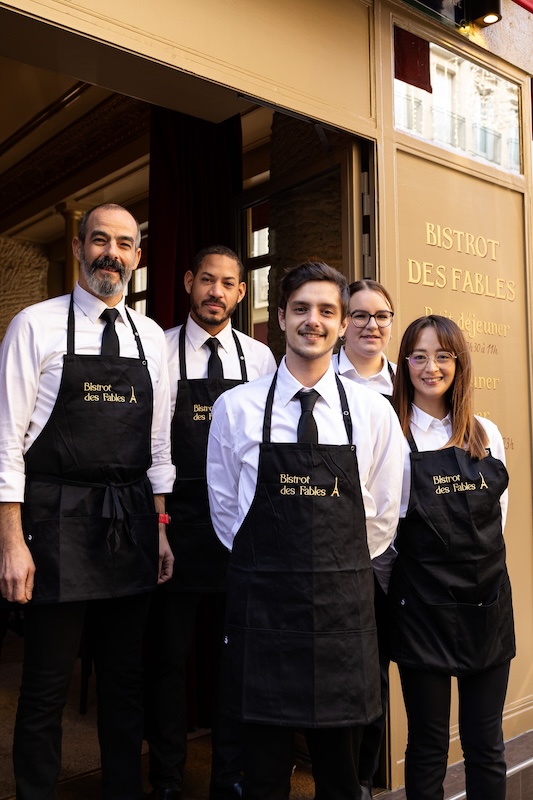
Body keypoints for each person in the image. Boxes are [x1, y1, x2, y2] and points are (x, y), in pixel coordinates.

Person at [207, 261, 404, 800]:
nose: (312, 321)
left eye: (326, 311)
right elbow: (226, 512)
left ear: (342, 325)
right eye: (300, 309)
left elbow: (383, 514)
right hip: (263, 610)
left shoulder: (373, 413)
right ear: (280, 317)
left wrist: (333, 565)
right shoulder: (236, 408)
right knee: (264, 771)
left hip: (341, 613)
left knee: (340, 775)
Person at [0, 203, 175, 800]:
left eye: (125, 244)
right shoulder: (34, 325)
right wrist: (12, 542)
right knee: (46, 685)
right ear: (78, 248)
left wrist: (160, 527)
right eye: (100, 241)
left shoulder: (152, 337)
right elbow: (6, 442)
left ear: (136, 257)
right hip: (53, 523)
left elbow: (158, 446)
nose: (112, 254)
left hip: (128, 523)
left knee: (125, 682)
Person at [144, 245, 277, 800]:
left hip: (239, 530)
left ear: (241, 293)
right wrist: (158, 526)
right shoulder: (159, 349)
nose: (216, 292)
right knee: (167, 662)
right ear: (187, 283)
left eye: (227, 283)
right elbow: (152, 444)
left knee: (236, 660)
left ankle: (231, 777)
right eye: (206, 280)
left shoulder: (261, 359)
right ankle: (168, 780)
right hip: (175, 522)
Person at [389, 314, 515, 800]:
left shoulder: (486, 432)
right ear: (404, 364)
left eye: (442, 356)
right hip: (423, 611)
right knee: (427, 746)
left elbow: (496, 518)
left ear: (458, 364)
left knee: (487, 745)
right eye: (418, 356)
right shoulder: (393, 434)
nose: (430, 367)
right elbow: (384, 534)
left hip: (487, 608)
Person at [333, 279, 396, 799]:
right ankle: (349, 779)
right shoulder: (321, 383)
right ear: (341, 325)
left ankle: (371, 778)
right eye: (360, 315)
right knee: (357, 674)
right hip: (347, 554)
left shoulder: (414, 383)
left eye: (382, 315)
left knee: (388, 672)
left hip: (407, 558)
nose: (371, 325)